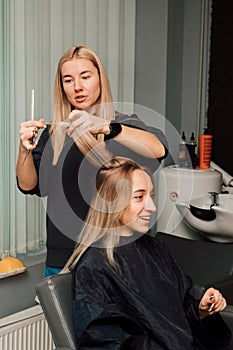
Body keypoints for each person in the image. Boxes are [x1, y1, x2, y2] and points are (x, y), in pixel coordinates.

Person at [16, 45, 168, 276]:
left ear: (100, 79)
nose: (77, 87)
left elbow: (158, 148)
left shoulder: (121, 126)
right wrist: (24, 148)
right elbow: (29, 185)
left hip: (113, 256)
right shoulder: (53, 135)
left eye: (85, 76)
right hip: (62, 258)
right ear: (61, 87)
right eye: (68, 80)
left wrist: (107, 127)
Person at [63, 157, 231, 350]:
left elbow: (178, 311)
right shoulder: (93, 267)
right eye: (139, 197)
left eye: (151, 195)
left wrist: (200, 309)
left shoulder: (155, 248)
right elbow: (103, 342)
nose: (152, 207)